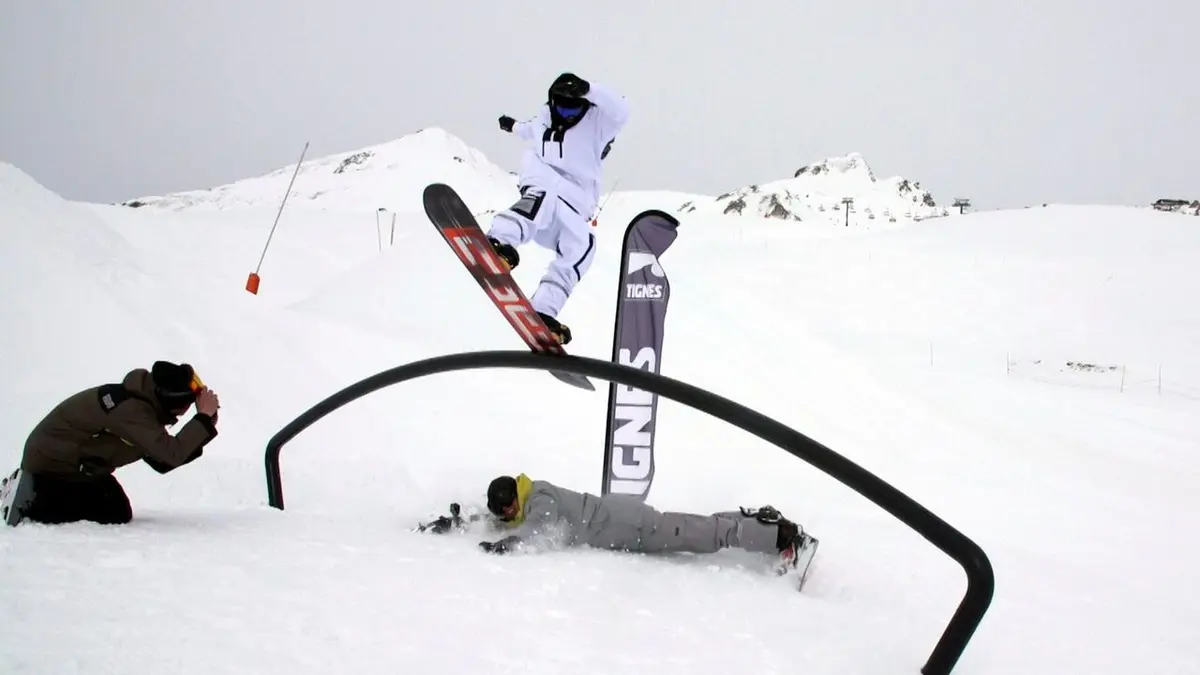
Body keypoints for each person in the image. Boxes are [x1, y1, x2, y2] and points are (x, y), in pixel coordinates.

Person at [419, 473, 818, 578]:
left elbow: (537, 531)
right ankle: (757, 521)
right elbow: (502, 522)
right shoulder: (524, 501)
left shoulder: (540, 498)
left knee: (700, 535)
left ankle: (783, 537)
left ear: (514, 500)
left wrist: (507, 546)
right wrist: (458, 521)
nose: (505, 518)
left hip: (630, 524)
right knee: (697, 528)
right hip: (623, 525)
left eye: (506, 511)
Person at [486, 72, 631, 345]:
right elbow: (526, 129)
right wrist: (511, 125)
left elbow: (622, 111)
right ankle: (499, 240)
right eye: (562, 109)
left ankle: (544, 309)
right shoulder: (543, 117)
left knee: (583, 246)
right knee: (541, 200)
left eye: (573, 110)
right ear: (552, 102)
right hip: (544, 183)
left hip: (573, 205)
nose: (566, 116)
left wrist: (590, 89)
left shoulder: (597, 122)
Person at [0, 360, 220, 527]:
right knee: (113, 510)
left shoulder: (143, 405)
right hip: (54, 460)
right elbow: (169, 453)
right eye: (189, 404)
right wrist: (202, 419)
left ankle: (34, 487)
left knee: (114, 502)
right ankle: (31, 499)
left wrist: (204, 424)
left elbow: (161, 461)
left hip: (65, 458)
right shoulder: (132, 411)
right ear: (175, 404)